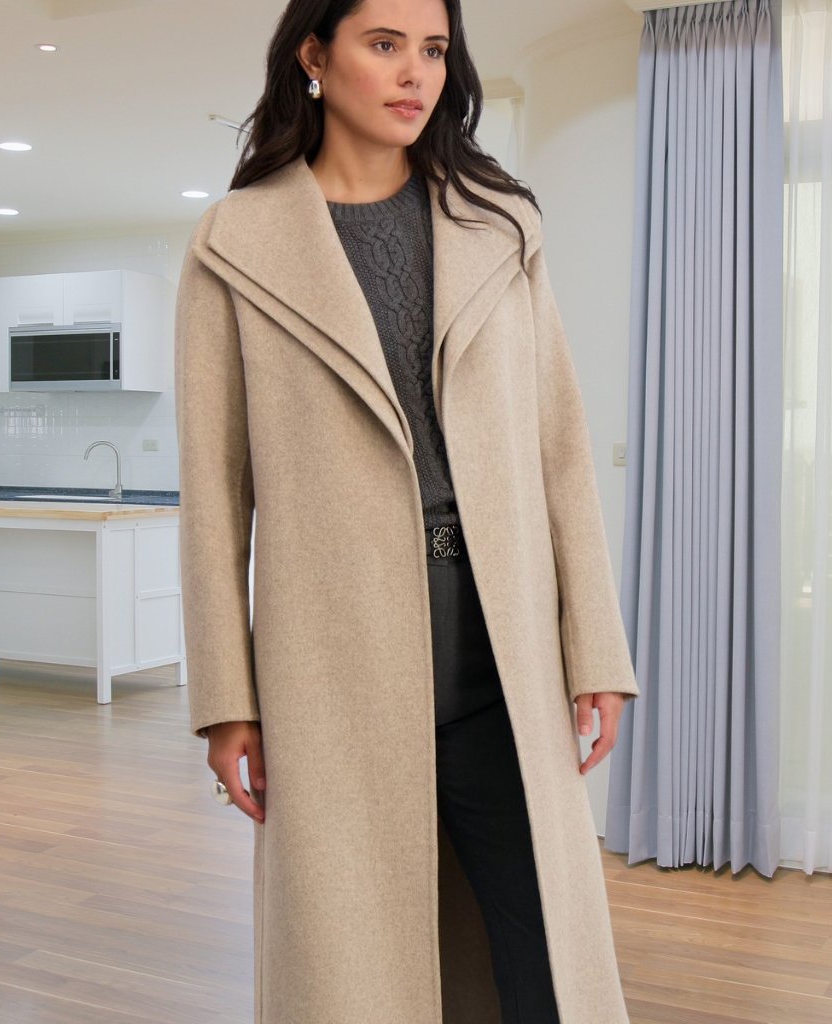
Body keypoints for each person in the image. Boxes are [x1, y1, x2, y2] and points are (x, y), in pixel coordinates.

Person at [174, 0, 640, 1021]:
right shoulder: (235, 244)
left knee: (544, 957)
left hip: (496, 654)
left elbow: (559, 450)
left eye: (431, 50)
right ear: (313, 55)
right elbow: (213, 496)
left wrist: (595, 646)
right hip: (328, 671)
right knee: (356, 973)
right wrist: (227, 698)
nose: (414, 74)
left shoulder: (499, 225)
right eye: (382, 44)